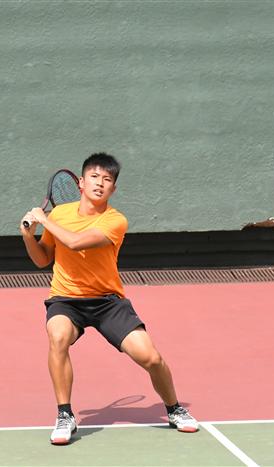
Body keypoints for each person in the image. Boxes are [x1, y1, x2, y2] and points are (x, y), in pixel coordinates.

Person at [20, 153, 199, 445]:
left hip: (108, 302)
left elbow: (75, 243)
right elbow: (42, 259)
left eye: (107, 180)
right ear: (81, 183)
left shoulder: (115, 221)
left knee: (150, 358)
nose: (100, 183)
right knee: (58, 336)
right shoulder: (60, 215)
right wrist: (29, 237)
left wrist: (42, 220)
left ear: (113, 189)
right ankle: (65, 415)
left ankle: (174, 408)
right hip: (66, 299)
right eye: (94, 177)